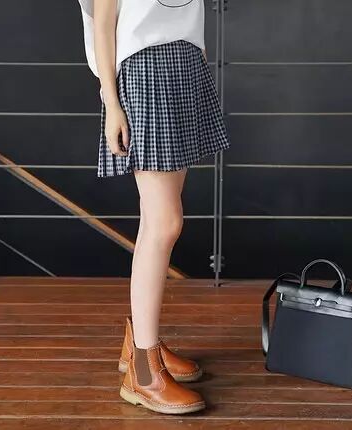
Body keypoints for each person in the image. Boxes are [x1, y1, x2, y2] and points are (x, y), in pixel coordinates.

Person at [78, 0, 231, 414]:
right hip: (146, 72)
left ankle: (141, 346)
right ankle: (143, 374)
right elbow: (103, 24)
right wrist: (112, 104)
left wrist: (197, 63)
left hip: (185, 67)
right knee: (165, 223)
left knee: (157, 221)